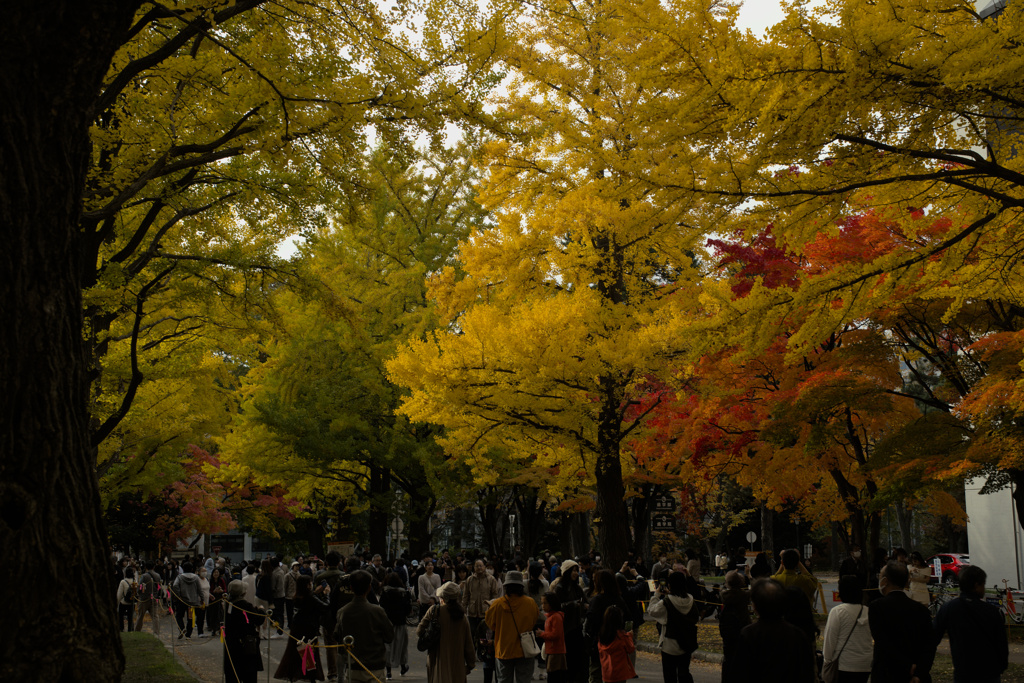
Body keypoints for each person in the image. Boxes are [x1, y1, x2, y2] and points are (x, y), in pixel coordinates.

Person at [933, 565, 1008, 683]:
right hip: (989, 671)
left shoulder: (949, 608)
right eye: (983, 584)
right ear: (977, 585)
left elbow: (933, 637)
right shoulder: (991, 611)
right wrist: (1001, 665)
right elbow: (1001, 643)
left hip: (963, 671)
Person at [868, 561, 935, 683]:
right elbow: (929, 645)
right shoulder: (921, 610)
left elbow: (883, 642)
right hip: (915, 675)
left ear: (885, 581)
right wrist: (920, 672)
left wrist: (907, 665)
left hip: (887, 673)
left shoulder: (877, 607)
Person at [737, 579, 816, 682]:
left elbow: (739, 673)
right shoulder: (797, 634)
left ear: (755, 606)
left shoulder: (748, 634)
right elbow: (807, 672)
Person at [335, 570, 394, 682]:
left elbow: (338, 637)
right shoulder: (377, 611)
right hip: (374, 667)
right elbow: (389, 636)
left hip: (353, 668)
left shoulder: (342, 612)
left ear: (351, 588)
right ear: (369, 588)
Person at [485, 570, 541, 683]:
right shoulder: (530, 603)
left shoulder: (497, 604)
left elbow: (491, 625)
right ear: (521, 586)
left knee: (504, 680)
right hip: (525, 650)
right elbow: (534, 621)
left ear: (506, 586)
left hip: (504, 650)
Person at [646, 571, 698, 683]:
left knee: (670, 676)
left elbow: (651, 610)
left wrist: (656, 595)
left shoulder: (667, 602)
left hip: (670, 644)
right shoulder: (690, 599)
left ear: (670, 585)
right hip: (686, 642)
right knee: (684, 673)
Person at [273, 575, 328, 682]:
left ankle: (292, 675)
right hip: (309, 629)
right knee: (309, 653)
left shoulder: (298, 596)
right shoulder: (310, 597)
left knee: (295, 652)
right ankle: (311, 676)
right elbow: (325, 607)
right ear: (307, 585)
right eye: (310, 583)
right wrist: (326, 594)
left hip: (297, 628)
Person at [418, 581, 476, 683]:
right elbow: (469, 643)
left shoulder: (434, 611)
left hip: (437, 660)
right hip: (457, 664)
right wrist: (470, 665)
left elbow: (419, 631)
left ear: (443, 597)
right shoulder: (462, 617)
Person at [822, 576, 872, 683]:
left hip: (844, 664)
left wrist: (827, 661)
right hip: (866, 665)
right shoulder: (868, 611)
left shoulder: (838, 612)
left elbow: (830, 641)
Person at [584, 570, 630, 683]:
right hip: (617, 645)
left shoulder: (597, 600)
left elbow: (590, 623)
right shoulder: (619, 599)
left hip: (599, 645)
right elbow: (627, 618)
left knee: (596, 675)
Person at [551, 560, 588, 683]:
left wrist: (585, 606)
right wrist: (573, 604)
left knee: (578, 661)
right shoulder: (560, 588)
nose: (576, 573)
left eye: (577, 570)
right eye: (573, 570)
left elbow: (585, 601)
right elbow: (556, 607)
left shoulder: (577, 588)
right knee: (568, 661)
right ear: (566, 572)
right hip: (565, 629)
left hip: (577, 627)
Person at [223, 579, 266, 683]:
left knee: (232, 671)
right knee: (248, 673)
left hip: (231, 641)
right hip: (246, 643)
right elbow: (258, 619)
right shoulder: (245, 605)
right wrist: (261, 610)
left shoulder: (228, 604)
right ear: (243, 592)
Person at [314, 551, 346, 682]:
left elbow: (316, 595)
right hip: (343, 613)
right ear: (339, 562)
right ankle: (342, 671)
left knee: (330, 644)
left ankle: (332, 672)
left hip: (327, 614)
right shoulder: (344, 577)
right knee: (343, 644)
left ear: (326, 562)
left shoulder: (320, 577)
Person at [718, 570, 750, 683]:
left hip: (728, 630)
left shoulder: (724, 595)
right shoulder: (744, 596)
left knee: (728, 658)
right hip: (742, 627)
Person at [380, 572, 413, 678]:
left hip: (388, 623)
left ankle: (388, 670)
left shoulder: (385, 593)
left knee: (388, 646)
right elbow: (408, 609)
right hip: (401, 623)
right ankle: (403, 666)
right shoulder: (404, 594)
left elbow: (381, 608)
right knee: (402, 646)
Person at [597, 605, 635, 683]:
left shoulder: (602, 636)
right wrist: (630, 636)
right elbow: (631, 648)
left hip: (606, 671)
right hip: (620, 673)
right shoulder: (621, 636)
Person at [464, 558, 503, 634]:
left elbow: (495, 596)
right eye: (477, 566)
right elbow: (466, 596)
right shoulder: (469, 580)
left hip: (485, 612)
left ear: (484, 567)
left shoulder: (491, 579)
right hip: (472, 613)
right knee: (472, 633)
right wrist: (464, 609)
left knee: (484, 635)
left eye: (481, 566)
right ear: (474, 568)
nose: (479, 568)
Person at [536, 591, 567, 683]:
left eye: (545, 603)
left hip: (556, 651)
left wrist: (542, 634)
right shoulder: (551, 617)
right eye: (542, 603)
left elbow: (556, 634)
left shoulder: (556, 617)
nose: (543, 606)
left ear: (552, 603)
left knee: (554, 677)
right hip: (552, 650)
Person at [171, 561, 203, 639]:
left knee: (179, 616)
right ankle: (188, 634)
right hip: (192, 601)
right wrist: (202, 598)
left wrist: (178, 595)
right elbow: (199, 589)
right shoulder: (196, 577)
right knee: (190, 617)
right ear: (192, 569)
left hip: (182, 600)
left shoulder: (180, 577)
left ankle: (182, 628)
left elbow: (175, 585)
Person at [135, 561, 161, 634]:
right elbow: (159, 587)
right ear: (154, 567)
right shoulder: (158, 575)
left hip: (144, 598)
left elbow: (140, 587)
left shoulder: (144, 576)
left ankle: (137, 631)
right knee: (155, 616)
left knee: (140, 616)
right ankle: (156, 632)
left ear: (146, 567)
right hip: (154, 598)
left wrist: (138, 593)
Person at [116, 567, 136, 632]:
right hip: (131, 602)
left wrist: (116, 603)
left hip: (123, 602)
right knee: (130, 617)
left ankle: (121, 628)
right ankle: (130, 629)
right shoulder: (134, 581)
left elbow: (119, 594)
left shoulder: (123, 582)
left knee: (121, 616)